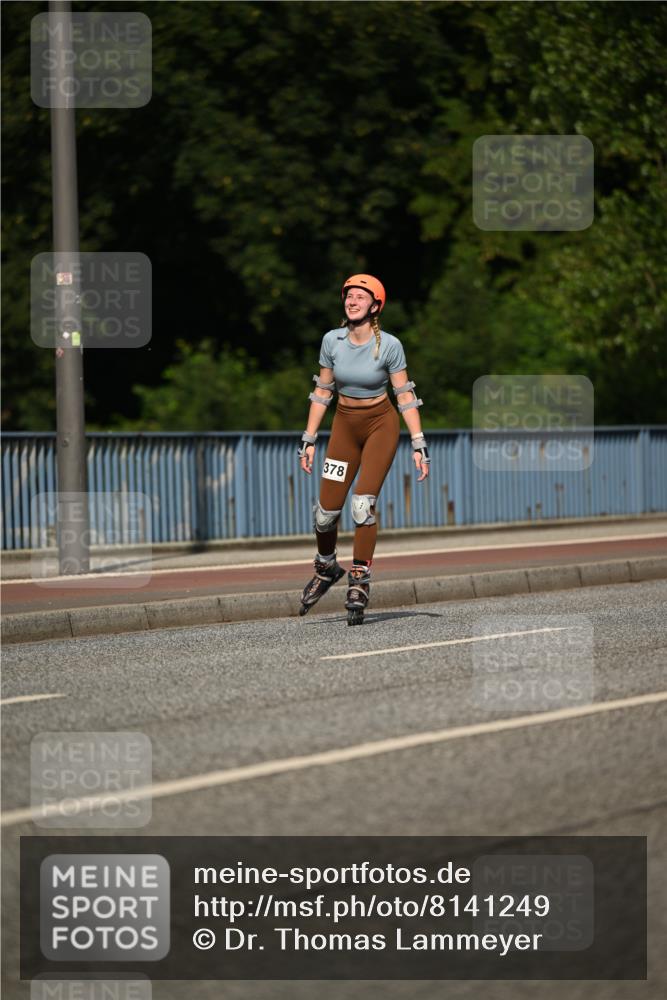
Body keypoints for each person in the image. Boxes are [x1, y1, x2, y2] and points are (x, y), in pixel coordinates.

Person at [297, 273, 430, 625]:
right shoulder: (332, 341)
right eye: (349, 296)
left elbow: (404, 395)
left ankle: (359, 578)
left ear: (374, 306)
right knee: (325, 513)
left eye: (360, 297)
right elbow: (322, 392)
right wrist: (309, 439)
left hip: (379, 427)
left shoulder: (389, 344)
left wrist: (418, 443)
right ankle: (326, 568)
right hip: (344, 427)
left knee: (361, 505)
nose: (352, 301)